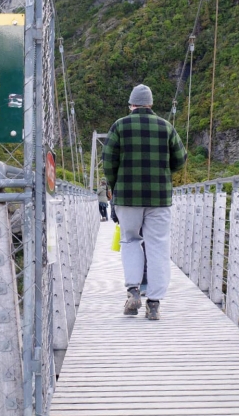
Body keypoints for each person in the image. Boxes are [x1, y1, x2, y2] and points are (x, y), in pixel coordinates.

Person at [102, 84, 187, 320]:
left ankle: (133, 291)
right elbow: (181, 159)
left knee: (130, 240)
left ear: (131, 105)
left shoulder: (120, 125)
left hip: (128, 197)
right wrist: (163, 169)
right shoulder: (166, 126)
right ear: (150, 104)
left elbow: (108, 161)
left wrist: (115, 185)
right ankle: (154, 303)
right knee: (158, 245)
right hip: (159, 197)